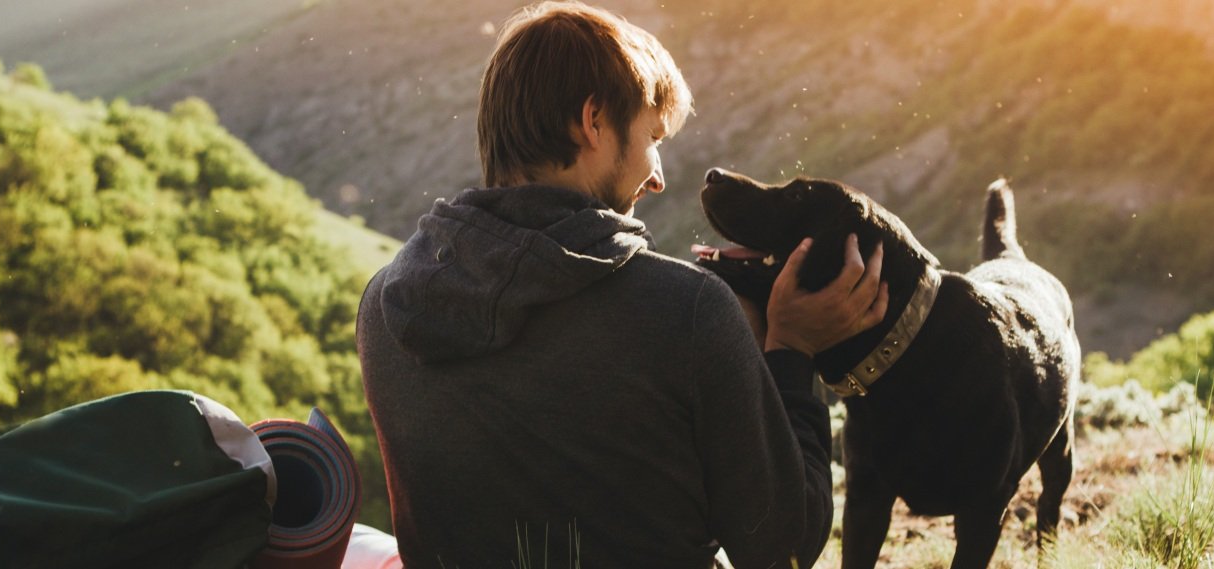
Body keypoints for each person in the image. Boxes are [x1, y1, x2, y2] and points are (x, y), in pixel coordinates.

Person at [355, 2, 888, 568]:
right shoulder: (685, 312)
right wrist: (791, 352)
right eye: (652, 136)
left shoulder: (386, 308)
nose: (657, 178)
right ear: (594, 121)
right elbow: (784, 544)